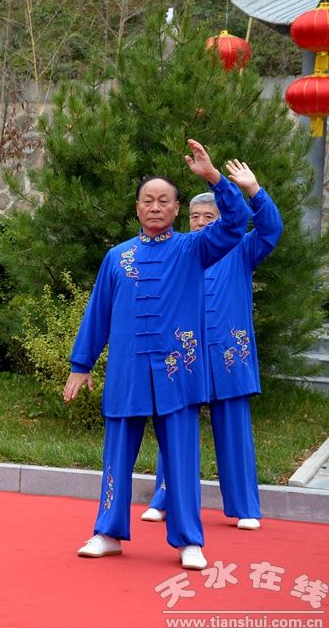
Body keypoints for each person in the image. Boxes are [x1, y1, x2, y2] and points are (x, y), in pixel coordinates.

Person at [63, 140, 250, 570]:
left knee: (182, 459)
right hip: (128, 372)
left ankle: (189, 541)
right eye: (148, 200)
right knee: (116, 456)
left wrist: (214, 179)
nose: (155, 207)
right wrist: (81, 364)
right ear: (137, 207)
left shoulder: (194, 248)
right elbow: (98, 313)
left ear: (176, 209)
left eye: (164, 200)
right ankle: (107, 532)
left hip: (177, 372)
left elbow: (237, 222)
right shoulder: (118, 257)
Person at [140, 159, 282, 531]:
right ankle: (164, 498)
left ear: (221, 219)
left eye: (209, 217)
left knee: (234, 430)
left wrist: (254, 191)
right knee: (175, 427)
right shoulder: (179, 249)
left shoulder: (242, 248)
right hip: (185, 354)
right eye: (195, 217)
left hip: (227, 354)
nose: (201, 223)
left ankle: (245, 506)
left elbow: (271, 228)